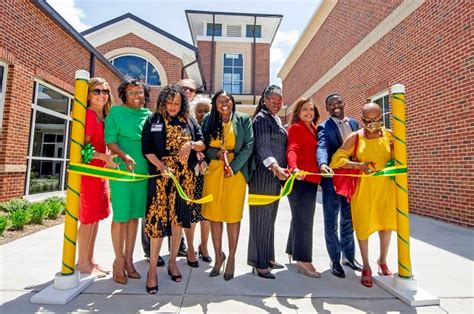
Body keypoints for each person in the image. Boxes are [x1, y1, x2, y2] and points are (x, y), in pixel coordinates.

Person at [142, 84, 205, 293]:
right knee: (158, 220)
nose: (172, 106)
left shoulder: (189, 120)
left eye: (177, 103)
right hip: (161, 176)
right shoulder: (154, 119)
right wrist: (161, 166)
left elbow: (202, 142)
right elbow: (147, 149)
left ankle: (173, 262)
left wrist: (191, 145)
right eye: (169, 102)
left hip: (184, 178)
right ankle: (152, 270)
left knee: (178, 220)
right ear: (163, 101)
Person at [329, 102, 396, 288]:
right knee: (363, 227)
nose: (373, 124)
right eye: (369, 120)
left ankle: (382, 260)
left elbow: (399, 158)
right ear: (362, 119)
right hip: (363, 189)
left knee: (386, 225)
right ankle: (366, 266)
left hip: (386, 188)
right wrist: (359, 166)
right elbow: (337, 160)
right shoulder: (355, 137)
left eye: (377, 120)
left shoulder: (390, 136)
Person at [201, 90, 254, 281]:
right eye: (219, 101)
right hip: (213, 171)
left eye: (227, 100)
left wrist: (234, 167)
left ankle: (231, 258)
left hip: (235, 172)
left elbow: (249, 145)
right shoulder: (208, 118)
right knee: (214, 215)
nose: (224, 104)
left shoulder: (243, 119)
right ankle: (218, 257)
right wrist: (214, 154)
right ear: (214, 104)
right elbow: (204, 144)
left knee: (232, 215)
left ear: (232, 102)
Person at [105, 77, 151, 285]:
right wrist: (124, 156)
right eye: (132, 92)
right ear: (124, 94)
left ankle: (130, 261)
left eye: (140, 92)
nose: (136, 96)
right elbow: (111, 141)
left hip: (142, 171)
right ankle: (118, 261)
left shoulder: (149, 115)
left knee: (134, 217)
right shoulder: (116, 112)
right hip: (123, 168)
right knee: (121, 216)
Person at [316, 93, 362, 279]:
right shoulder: (324, 127)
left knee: (348, 220)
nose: (335, 105)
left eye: (338, 102)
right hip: (332, 180)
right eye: (331, 104)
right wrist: (322, 164)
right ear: (327, 109)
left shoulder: (354, 124)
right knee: (331, 222)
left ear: (344, 103)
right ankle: (335, 260)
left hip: (350, 180)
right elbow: (322, 146)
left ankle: (349, 257)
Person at [247, 85, 289, 279]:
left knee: (269, 220)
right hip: (264, 177)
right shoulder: (262, 118)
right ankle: (259, 263)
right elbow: (263, 146)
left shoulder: (276, 120)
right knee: (261, 221)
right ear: (264, 100)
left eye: (279, 100)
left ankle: (269, 258)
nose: (277, 103)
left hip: (274, 178)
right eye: (273, 100)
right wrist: (275, 168)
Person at [77, 77, 116, 275]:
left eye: (105, 91)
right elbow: (82, 149)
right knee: (87, 218)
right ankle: (82, 262)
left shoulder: (105, 117)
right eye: (97, 91)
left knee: (96, 218)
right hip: (90, 173)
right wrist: (104, 157)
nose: (102, 95)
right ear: (89, 94)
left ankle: (90, 259)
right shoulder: (89, 116)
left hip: (101, 173)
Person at [285, 98, 322, 278]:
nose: (308, 112)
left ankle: (292, 250)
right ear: (298, 112)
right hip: (300, 179)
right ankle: (303, 260)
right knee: (305, 220)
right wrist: (294, 168)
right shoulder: (296, 128)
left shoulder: (315, 129)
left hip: (312, 180)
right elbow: (292, 148)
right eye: (305, 109)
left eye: (311, 110)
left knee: (299, 217)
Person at [190, 95, 212, 263]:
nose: (203, 114)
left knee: (207, 215)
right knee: (192, 214)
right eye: (199, 111)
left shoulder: (213, 127)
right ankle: (190, 248)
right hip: (192, 176)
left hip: (210, 176)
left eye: (206, 111)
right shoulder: (190, 127)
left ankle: (204, 246)